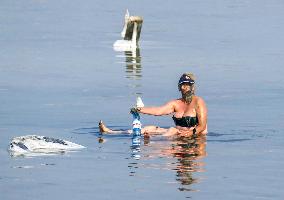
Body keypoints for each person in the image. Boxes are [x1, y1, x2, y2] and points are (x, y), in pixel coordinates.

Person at [99, 73, 207, 137]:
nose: (185, 87)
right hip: (178, 135)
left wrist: (190, 134)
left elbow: (202, 126)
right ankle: (111, 132)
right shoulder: (175, 103)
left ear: (192, 87)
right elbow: (159, 111)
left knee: (171, 130)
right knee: (149, 128)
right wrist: (140, 110)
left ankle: (153, 141)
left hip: (194, 137)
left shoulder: (198, 102)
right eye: (182, 85)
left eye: (188, 85)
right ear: (179, 87)